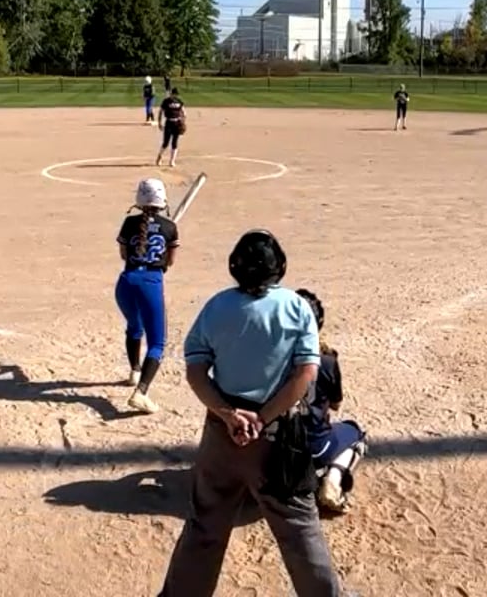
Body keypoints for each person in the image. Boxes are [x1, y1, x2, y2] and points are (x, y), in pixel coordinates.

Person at [158, 230, 343, 597]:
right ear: (280, 267)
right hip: (278, 436)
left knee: (206, 523)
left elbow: (196, 372)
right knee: (299, 528)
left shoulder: (217, 306)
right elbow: (305, 374)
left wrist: (228, 414)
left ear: (235, 267)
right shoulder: (296, 307)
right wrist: (264, 417)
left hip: (222, 435)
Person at [294, 288, 367, 515]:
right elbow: (335, 404)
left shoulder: (269, 358)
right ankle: (333, 479)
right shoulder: (326, 361)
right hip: (316, 447)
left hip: (271, 449)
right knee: (355, 433)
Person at [116, 177, 179, 415]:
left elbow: (124, 254)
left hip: (126, 282)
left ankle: (135, 371)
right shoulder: (169, 227)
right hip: (150, 283)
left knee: (134, 326)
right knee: (157, 343)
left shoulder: (129, 223)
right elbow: (170, 262)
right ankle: (141, 393)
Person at [156, 87, 187, 168]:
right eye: (174, 94)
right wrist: (159, 123)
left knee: (175, 142)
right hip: (169, 123)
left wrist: (183, 122)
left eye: (176, 94)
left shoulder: (179, 101)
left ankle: (172, 160)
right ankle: (160, 156)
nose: (175, 96)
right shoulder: (166, 101)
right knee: (166, 143)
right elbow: (161, 112)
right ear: (171, 94)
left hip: (177, 123)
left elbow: (184, 112)